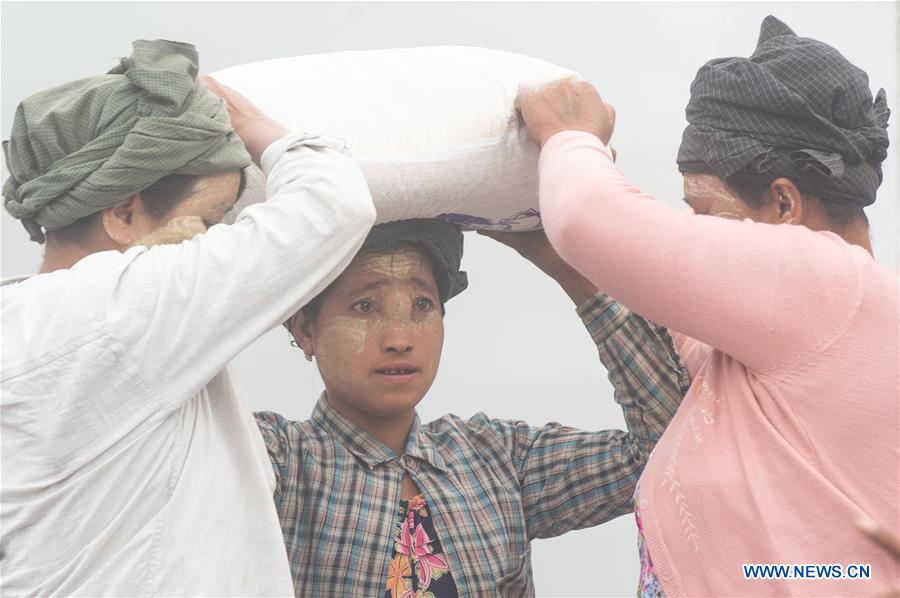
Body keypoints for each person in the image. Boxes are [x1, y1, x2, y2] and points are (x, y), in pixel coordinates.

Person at [515, 15, 898, 597]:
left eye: (705, 212)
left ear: (784, 204)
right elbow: (666, 313)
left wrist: (570, 136)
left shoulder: (824, 282)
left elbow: (587, 219)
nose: (695, 234)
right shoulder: (810, 320)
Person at [0, 40, 376, 595]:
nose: (215, 245)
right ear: (125, 213)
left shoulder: (28, 318)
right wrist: (255, 128)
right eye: (209, 219)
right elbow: (336, 205)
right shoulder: (123, 308)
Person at [254, 217, 690, 596]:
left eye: (422, 305)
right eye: (365, 306)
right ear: (305, 330)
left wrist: (569, 270)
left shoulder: (494, 457)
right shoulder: (279, 463)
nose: (399, 338)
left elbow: (667, 452)